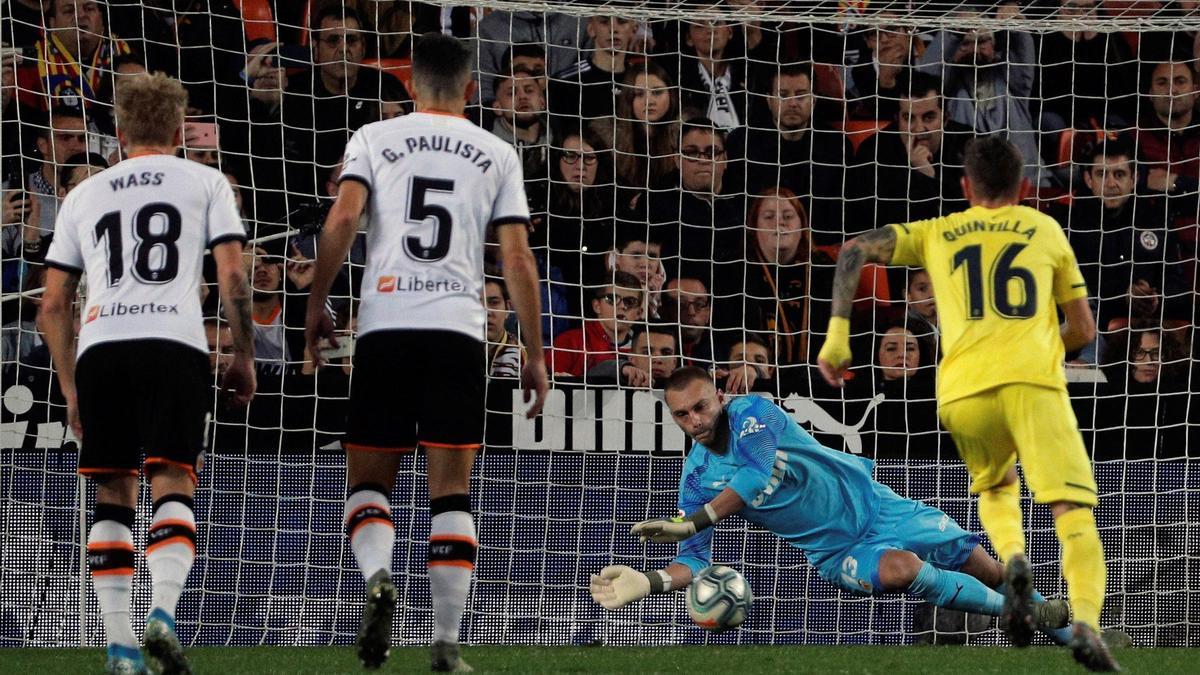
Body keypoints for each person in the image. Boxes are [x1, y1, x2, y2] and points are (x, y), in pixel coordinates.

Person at [816, 136, 1118, 671]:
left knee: (997, 487)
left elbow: (855, 249)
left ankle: (1013, 560)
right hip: (1032, 383)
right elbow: (1083, 329)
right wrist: (1040, 346)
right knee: (1071, 509)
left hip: (963, 389)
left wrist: (838, 336)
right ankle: (1086, 622)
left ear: (964, 187)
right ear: (1025, 187)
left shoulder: (941, 232)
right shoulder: (1045, 229)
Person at [303, 33, 549, 673]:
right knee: (451, 493)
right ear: (472, 89)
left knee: (367, 482)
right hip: (458, 331)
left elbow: (340, 221)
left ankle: (380, 575)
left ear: (410, 85)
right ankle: (444, 644)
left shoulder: (373, 138)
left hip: (385, 324)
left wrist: (316, 302)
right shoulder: (497, 151)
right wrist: (533, 347)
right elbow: (516, 257)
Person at [590, 368, 1073, 645]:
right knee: (904, 569)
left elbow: (755, 475)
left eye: (701, 407)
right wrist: (650, 580)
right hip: (835, 550)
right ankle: (1026, 617)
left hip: (879, 506)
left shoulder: (753, 414)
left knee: (982, 564)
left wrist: (693, 520)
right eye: (681, 414)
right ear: (672, 416)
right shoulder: (695, 480)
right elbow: (695, 558)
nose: (694, 420)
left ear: (720, 397)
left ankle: (1068, 636)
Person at [39, 72, 255, 675]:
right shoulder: (207, 180)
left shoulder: (85, 194)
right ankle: (162, 612)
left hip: (103, 345)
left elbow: (54, 304)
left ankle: (120, 646)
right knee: (172, 478)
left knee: (112, 491)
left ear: (121, 128)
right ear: (179, 128)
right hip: (175, 341)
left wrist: (69, 386)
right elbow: (234, 277)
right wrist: (242, 353)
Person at [548, 272, 643, 380]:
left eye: (630, 301)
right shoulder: (569, 342)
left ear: (639, 313)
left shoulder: (646, 349)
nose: (622, 306)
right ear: (596, 306)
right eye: (611, 299)